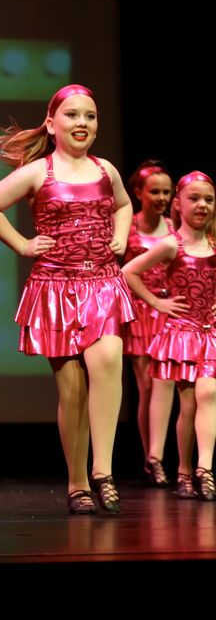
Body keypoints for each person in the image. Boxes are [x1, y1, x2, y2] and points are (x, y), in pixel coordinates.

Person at [0, 85, 134, 515]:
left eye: (90, 116)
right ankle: (77, 484)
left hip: (102, 281)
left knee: (108, 358)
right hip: (56, 289)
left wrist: (120, 235)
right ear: (51, 123)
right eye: (72, 115)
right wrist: (22, 244)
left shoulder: (105, 170)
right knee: (73, 390)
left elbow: (123, 205)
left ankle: (103, 471)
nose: (82, 123)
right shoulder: (38, 173)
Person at [123, 171, 216, 501]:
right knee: (184, 403)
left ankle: (203, 469)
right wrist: (156, 302)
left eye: (208, 199)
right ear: (179, 204)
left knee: (207, 394)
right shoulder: (170, 244)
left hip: (209, 332)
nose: (202, 205)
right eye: (194, 199)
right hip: (180, 331)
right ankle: (180, 469)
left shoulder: (213, 244)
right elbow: (128, 271)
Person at [122, 161, 174, 486]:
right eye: (155, 191)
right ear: (139, 192)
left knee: (167, 384)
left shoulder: (174, 226)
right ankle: (151, 458)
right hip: (139, 311)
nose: (161, 198)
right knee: (148, 386)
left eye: (167, 192)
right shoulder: (127, 226)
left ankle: (162, 454)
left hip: (169, 312)